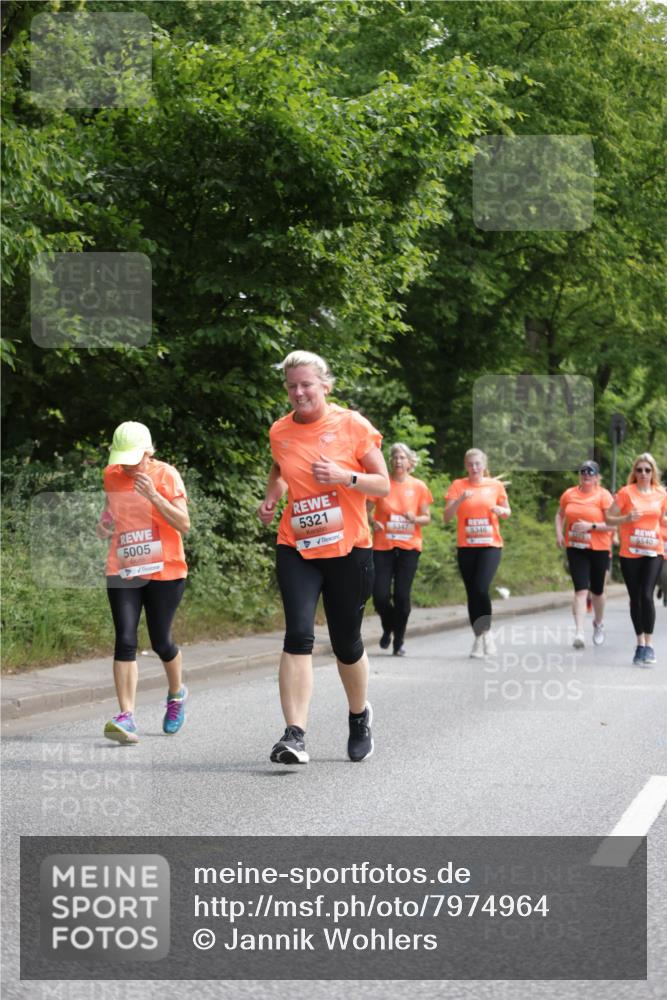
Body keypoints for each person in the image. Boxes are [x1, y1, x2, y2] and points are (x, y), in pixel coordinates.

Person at [257, 351, 389, 764]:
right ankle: (294, 735)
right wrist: (271, 497)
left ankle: (359, 715)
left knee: (346, 643)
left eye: (306, 385)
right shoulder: (280, 430)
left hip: (349, 549)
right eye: (292, 386)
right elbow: (280, 468)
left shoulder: (352, 424)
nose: (299, 392)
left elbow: (383, 484)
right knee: (298, 635)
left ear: (325, 386)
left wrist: (346, 477)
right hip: (297, 545)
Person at [97, 422, 190, 743]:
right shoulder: (111, 475)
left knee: (161, 641)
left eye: (133, 459)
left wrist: (153, 495)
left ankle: (176, 695)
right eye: (122, 459)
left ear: (148, 452)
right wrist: (105, 523)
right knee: (125, 638)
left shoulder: (166, 475)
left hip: (166, 570)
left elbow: (184, 523)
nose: (126, 465)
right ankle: (127, 716)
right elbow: (111, 508)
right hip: (123, 567)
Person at [367, 443, 433, 656]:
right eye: (395, 457)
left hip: (409, 547)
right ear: (390, 461)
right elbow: (365, 510)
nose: (398, 461)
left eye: (402, 457)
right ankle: (389, 627)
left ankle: (399, 640)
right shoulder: (382, 484)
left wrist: (416, 519)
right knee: (380, 596)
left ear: (409, 462)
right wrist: (372, 521)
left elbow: (427, 518)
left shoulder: (419, 486)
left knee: (402, 597)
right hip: (383, 546)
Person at [444, 448, 511, 658]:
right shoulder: (458, 485)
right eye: (470, 464)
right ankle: (478, 637)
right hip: (466, 547)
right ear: (466, 466)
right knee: (472, 592)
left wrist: (502, 511)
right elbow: (446, 517)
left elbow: (507, 511)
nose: (474, 468)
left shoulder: (495, 486)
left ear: (484, 465)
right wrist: (459, 500)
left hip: (490, 545)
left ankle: (487, 633)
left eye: (477, 464)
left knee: (481, 588)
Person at [604, 453, 667, 665]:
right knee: (635, 599)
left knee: (647, 596)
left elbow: (662, 519)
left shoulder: (661, 493)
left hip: (653, 551)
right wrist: (626, 518)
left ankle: (649, 645)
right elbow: (608, 518)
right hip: (630, 553)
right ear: (635, 472)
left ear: (653, 472)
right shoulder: (626, 493)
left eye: (647, 470)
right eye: (639, 470)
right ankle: (639, 643)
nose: (643, 473)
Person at [555, 461, 614, 648]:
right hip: (576, 547)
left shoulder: (604, 496)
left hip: (599, 548)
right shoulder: (569, 494)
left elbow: (613, 525)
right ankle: (579, 632)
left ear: (597, 477)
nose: (586, 475)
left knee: (597, 591)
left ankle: (598, 622)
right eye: (583, 472)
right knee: (580, 591)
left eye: (590, 472)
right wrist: (559, 533)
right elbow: (560, 515)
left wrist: (591, 526)